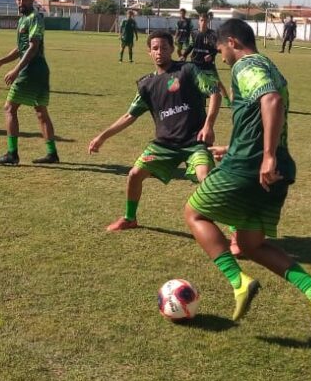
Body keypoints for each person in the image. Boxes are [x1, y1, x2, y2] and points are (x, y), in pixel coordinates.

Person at [184, 18, 311, 332]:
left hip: (251, 167)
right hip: (275, 169)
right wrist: (237, 146)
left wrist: (263, 156)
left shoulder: (246, 65)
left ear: (233, 43)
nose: (221, 58)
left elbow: (271, 100)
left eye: (221, 50)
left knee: (194, 213)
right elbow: (263, 114)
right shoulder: (269, 65)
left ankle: (238, 282)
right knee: (250, 244)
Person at [89, 30, 222, 231]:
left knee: (205, 177)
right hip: (164, 145)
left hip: (195, 142)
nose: (160, 52)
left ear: (172, 49)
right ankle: (129, 218)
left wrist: (208, 125)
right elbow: (129, 116)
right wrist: (102, 137)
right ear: (149, 52)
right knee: (134, 174)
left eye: (164, 48)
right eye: (155, 48)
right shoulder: (146, 84)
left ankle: (234, 229)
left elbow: (214, 93)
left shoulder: (188, 70)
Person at [0, 0, 58, 165]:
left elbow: (33, 47)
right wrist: (1, 62)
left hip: (32, 70)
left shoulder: (35, 18)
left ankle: (12, 154)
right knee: (41, 112)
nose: (20, 2)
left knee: (9, 108)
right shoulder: (23, 20)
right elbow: (21, 48)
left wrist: (16, 70)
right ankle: (52, 154)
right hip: (40, 70)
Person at [189, 12, 231, 104]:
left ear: (208, 21)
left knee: (217, 82)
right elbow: (191, 46)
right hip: (195, 63)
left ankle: (227, 101)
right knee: (196, 84)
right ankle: (200, 101)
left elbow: (218, 48)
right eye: (201, 20)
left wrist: (211, 55)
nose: (203, 22)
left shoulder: (212, 34)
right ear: (198, 21)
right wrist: (183, 55)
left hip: (208, 64)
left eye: (205, 20)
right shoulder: (194, 33)